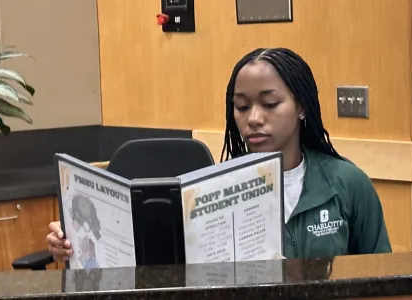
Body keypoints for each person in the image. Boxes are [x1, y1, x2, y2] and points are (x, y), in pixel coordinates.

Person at [46, 47, 392, 261]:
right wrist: (73, 240)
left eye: (270, 104)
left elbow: (384, 277)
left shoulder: (347, 184)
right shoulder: (209, 190)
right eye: (241, 108)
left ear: (301, 106)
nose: (254, 119)